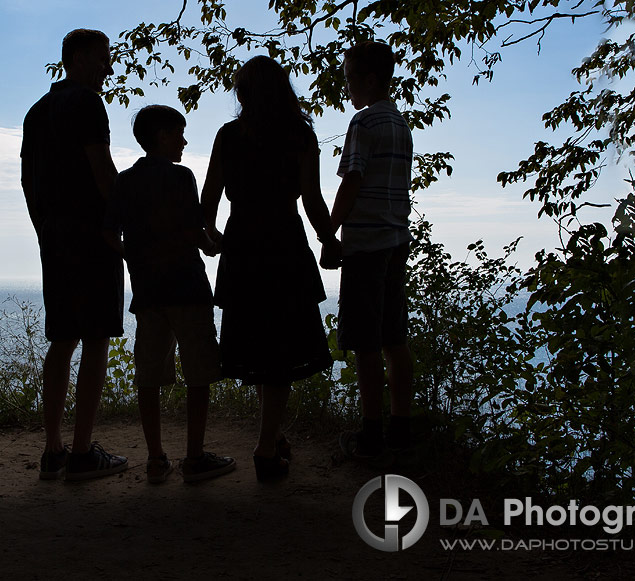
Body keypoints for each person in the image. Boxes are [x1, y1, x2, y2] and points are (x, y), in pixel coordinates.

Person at [200, 55, 340, 481]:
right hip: (283, 242)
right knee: (280, 347)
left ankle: (271, 437)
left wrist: (210, 236)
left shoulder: (229, 135)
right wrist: (328, 239)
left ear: (243, 93)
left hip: (243, 243)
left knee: (261, 344)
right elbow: (311, 198)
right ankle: (265, 447)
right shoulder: (299, 134)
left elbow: (209, 199)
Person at [103, 105, 236, 484]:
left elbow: (109, 233)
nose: (184, 140)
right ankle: (194, 458)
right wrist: (216, 246)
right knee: (199, 374)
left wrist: (136, 257)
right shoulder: (182, 177)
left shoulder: (125, 181)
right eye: (179, 133)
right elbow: (197, 232)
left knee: (149, 376)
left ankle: (156, 459)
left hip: (148, 293)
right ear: (163, 136)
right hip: (188, 287)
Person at [21, 28, 128, 481]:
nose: (109, 67)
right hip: (94, 236)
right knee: (97, 338)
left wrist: (45, 229)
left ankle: (54, 452)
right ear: (78, 57)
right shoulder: (87, 103)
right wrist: (126, 226)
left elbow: (28, 181)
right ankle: (84, 453)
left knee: (62, 339)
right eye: (104, 58)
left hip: (55, 238)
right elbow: (103, 173)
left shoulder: (36, 111)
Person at [329, 41, 414, 461]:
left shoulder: (363, 123)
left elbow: (352, 182)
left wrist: (329, 232)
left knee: (364, 342)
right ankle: (402, 428)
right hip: (397, 241)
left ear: (368, 80)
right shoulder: (400, 123)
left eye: (348, 79)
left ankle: (371, 434)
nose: (346, 88)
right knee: (394, 338)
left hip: (365, 246)